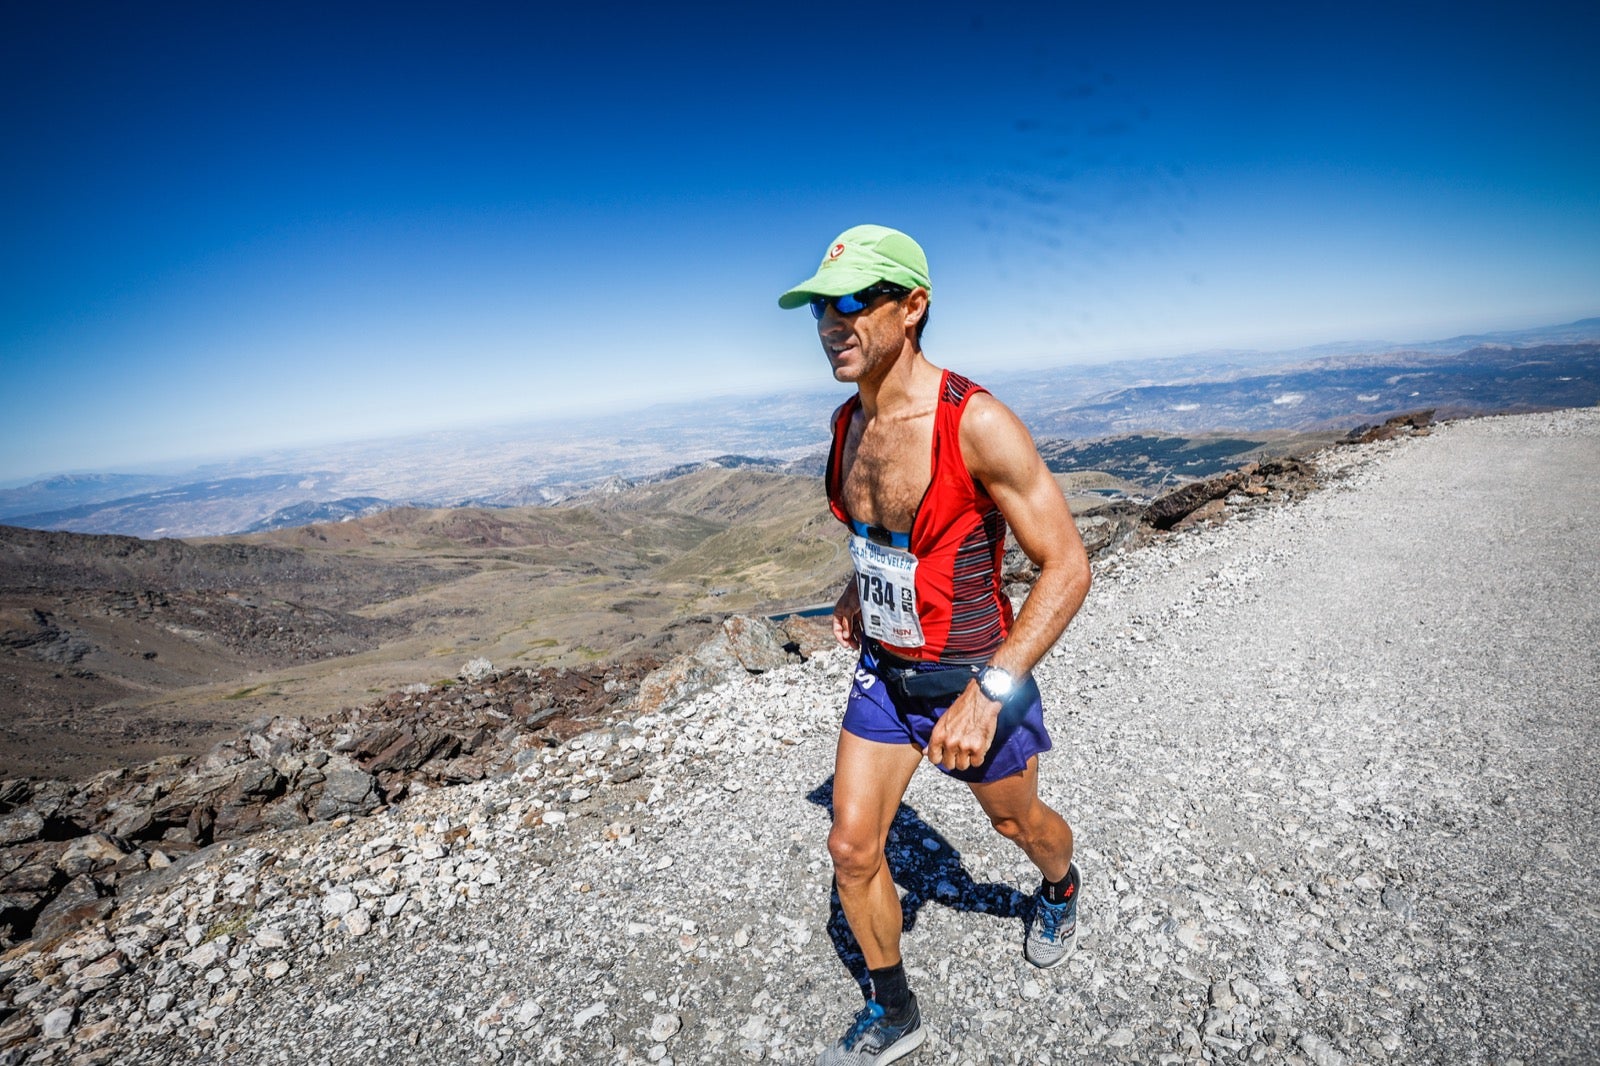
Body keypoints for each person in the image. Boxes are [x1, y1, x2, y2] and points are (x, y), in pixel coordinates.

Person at [777, 225, 1093, 1065]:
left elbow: (1065, 565)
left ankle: (1061, 887)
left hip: (973, 674)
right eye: (818, 306)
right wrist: (858, 589)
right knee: (851, 846)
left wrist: (988, 695)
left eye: (852, 301)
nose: (830, 323)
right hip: (885, 673)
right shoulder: (847, 425)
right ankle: (895, 1008)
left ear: (913, 306)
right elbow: (886, 535)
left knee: (1017, 826)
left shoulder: (976, 422)